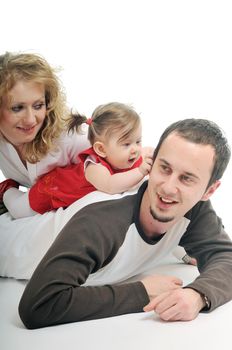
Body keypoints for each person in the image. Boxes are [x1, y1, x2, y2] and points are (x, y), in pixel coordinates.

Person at [18, 118, 232, 329]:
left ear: (209, 190)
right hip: (14, 240)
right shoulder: (101, 220)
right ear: (151, 162)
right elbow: (39, 305)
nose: (168, 188)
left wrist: (198, 295)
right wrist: (140, 292)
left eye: (186, 179)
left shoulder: (194, 208)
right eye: (164, 168)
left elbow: (226, 257)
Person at [0, 52, 89, 277]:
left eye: (38, 105)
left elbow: (120, 168)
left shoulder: (70, 136)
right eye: (17, 108)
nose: (31, 120)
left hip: (90, 215)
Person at [3, 102, 153, 217]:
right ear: (101, 149)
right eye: (126, 144)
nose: (135, 149)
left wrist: (154, 154)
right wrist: (140, 171)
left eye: (138, 141)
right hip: (50, 191)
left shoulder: (128, 156)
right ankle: (6, 190)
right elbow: (110, 186)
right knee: (19, 210)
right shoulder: (94, 167)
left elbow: (146, 152)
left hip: (57, 184)